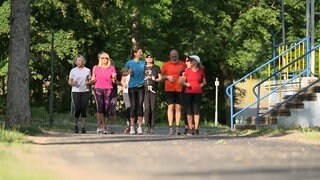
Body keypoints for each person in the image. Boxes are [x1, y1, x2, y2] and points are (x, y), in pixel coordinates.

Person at [162, 49, 187, 135]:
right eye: (172, 57)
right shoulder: (165, 65)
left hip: (180, 89)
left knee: (178, 108)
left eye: (175, 56)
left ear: (178, 56)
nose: (174, 58)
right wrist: (167, 77)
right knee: (170, 107)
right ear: (170, 56)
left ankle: (177, 128)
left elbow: (187, 75)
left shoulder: (183, 64)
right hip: (169, 89)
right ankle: (170, 128)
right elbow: (161, 76)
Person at [91, 51, 117, 134]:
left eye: (106, 58)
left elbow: (114, 78)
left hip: (108, 89)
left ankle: (105, 126)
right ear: (100, 59)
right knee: (100, 107)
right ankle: (99, 126)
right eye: (102, 58)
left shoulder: (111, 68)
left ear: (108, 59)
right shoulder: (96, 68)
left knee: (106, 108)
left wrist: (114, 78)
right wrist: (90, 81)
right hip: (98, 88)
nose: (104, 60)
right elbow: (93, 78)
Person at [181, 55, 206, 135]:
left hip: (197, 93)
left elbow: (204, 81)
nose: (190, 62)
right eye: (189, 60)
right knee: (189, 111)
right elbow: (182, 81)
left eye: (191, 60)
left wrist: (201, 85)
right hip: (188, 92)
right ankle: (190, 128)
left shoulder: (201, 71)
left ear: (196, 62)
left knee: (196, 111)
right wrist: (186, 84)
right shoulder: (187, 70)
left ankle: (196, 128)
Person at [124, 47, 145, 135]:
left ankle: (139, 127)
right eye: (140, 52)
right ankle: (132, 126)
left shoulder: (143, 63)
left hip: (141, 86)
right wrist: (128, 72)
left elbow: (148, 71)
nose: (141, 53)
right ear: (135, 53)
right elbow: (123, 73)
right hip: (132, 86)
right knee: (133, 106)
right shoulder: (129, 63)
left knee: (140, 106)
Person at [68, 55, 91, 134]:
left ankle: (83, 127)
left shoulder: (87, 70)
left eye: (80, 60)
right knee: (77, 108)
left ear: (83, 62)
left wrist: (88, 83)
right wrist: (72, 83)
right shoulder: (73, 70)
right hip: (75, 91)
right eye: (77, 61)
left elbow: (90, 80)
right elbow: (69, 81)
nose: (78, 62)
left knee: (83, 108)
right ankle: (75, 125)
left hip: (85, 91)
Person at [143, 54, 162, 134]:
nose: (149, 58)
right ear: (146, 59)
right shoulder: (143, 67)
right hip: (145, 90)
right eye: (148, 57)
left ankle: (152, 127)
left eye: (151, 57)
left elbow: (160, 78)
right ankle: (146, 125)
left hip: (153, 90)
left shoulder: (156, 68)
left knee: (153, 108)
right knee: (147, 108)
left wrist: (156, 79)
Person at [179, 56, 193, 135]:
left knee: (194, 109)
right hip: (185, 91)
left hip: (194, 91)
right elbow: (180, 81)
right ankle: (187, 127)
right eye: (187, 61)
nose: (188, 62)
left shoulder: (196, 71)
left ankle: (194, 127)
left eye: (190, 61)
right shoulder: (183, 71)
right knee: (186, 110)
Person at [121, 69, 131, 134]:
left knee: (135, 108)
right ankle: (128, 126)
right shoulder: (126, 73)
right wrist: (124, 84)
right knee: (128, 109)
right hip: (126, 92)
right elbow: (122, 81)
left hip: (135, 92)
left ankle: (134, 126)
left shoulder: (138, 72)